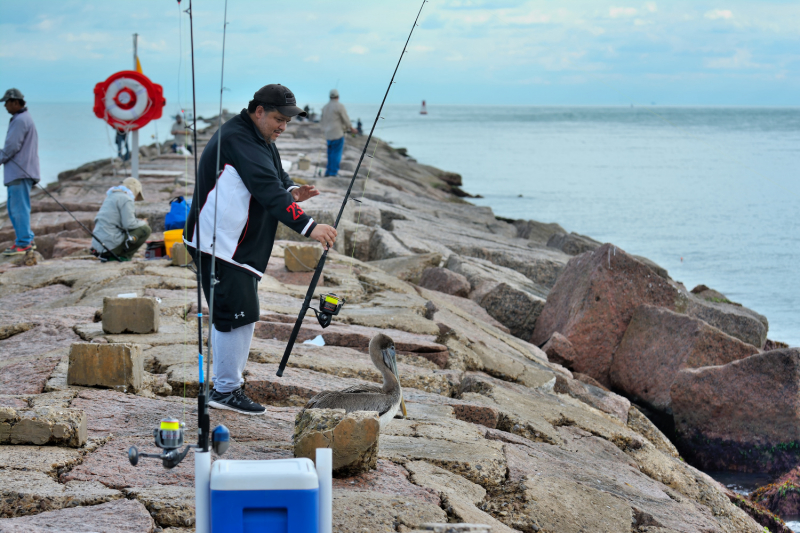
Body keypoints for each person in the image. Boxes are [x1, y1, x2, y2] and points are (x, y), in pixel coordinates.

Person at [184, 84, 338, 415]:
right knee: (233, 316)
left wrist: (294, 190)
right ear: (259, 112)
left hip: (235, 244)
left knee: (242, 313)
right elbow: (267, 189)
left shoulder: (258, 137)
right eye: (279, 119)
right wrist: (310, 227)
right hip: (221, 243)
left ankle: (229, 382)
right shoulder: (240, 138)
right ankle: (225, 390)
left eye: (287, 121)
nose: (283, 126)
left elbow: (275, 176)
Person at [0, 88, 39, 256]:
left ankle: (23, 242)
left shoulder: (20, 120)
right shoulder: (23, 118)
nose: (5, 106)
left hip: (19, 172)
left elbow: (11, 147)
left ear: (16, 102)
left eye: (7, 103)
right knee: (15, 208)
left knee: (18, 209)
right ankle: (26, 239)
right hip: (22, 171)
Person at [90, 177, 151, 261]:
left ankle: (111, 255)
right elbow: (129, 224)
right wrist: (143, 222)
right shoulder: (127, 199)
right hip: (110, 246)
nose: (136, 198)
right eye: (137, 194)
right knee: (145, 229)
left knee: (139, 226)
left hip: (98, 245)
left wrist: (137, 221)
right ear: (135, 190)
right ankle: (124, 257)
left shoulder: (111, 196)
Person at [320, 89, 357, 177]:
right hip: (337, 134)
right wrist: (351, 128)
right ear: (338, 97)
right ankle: (333, 173)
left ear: (330, 97)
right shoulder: (340, 106)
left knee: (330, 154)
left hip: (328, 134)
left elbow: (322, 121)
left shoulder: (325, 107)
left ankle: (328, 172)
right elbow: (346, 119)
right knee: (336, 154)